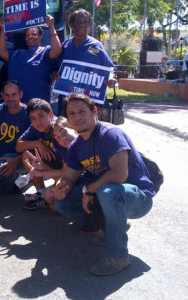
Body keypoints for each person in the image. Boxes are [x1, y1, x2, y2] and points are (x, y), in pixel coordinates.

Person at [53, 93, 156, 276]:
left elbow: (119, 174)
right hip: (107, 194)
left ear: (94, 111)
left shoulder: (110, 134)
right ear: (67, 118)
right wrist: (61, 187)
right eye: (72, 113)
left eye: (82, 112)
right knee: (63, 202)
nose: (77, 117)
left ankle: (118, 257)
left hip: (138, 198)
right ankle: (112, 228)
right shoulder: (77, 146)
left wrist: (88, 190)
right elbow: (69, 176)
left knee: (107, 192)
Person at [55, 9, 115, 113]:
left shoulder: (95, 46)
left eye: (85, 22)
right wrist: (54, 74)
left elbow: (110, 68)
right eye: (79, 22)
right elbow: (56, 67)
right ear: (72, 25)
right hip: (67, 100)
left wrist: (111, 78)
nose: (82, 25)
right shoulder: (65, 45)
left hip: (88, 100)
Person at [0, 15, 62, 103]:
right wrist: (3, 30)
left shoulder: (45, 51)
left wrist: (51, 27)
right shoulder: (17, 53)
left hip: (38, 107)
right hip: (17, 107)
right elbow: (2, 52)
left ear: (41, 36)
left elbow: (57, 51)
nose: (30, 37)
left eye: (34, 34)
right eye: (27, 35)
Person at [16, 99, 65, 211]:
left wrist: (43, 170)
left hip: (68, 172)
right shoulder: (35, 128)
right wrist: (38, 143)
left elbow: (69, 169)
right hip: (53, 166)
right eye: (33, 118)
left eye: (41, 116)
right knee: (27, 155)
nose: (38, 122)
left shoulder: (59, 128)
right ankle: (41, 194)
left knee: (56, 207)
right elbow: (18, 146)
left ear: (51, 114)